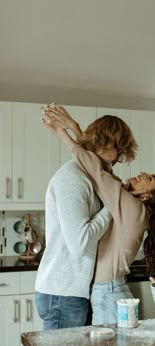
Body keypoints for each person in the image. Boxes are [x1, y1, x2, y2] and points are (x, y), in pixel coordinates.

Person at [41, 104, 155, 326]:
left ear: (148, 196)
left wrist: (64, 134)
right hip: (106, 290)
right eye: (120, 152)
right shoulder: (127, 203)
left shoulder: (132, 207)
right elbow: (101, 170)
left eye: (149, 178)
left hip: (109, 291)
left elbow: (98, 170)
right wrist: (75, 129)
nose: (141, 172)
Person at [35, 106, 138, 330]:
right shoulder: (72, 178)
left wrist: (75, 129)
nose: (119, 158)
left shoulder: (91, 176)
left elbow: (99, 168)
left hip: (75, 291)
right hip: (62, 294)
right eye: (118, 151)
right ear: (103, 143)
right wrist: (112, 207)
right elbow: (80, 244)